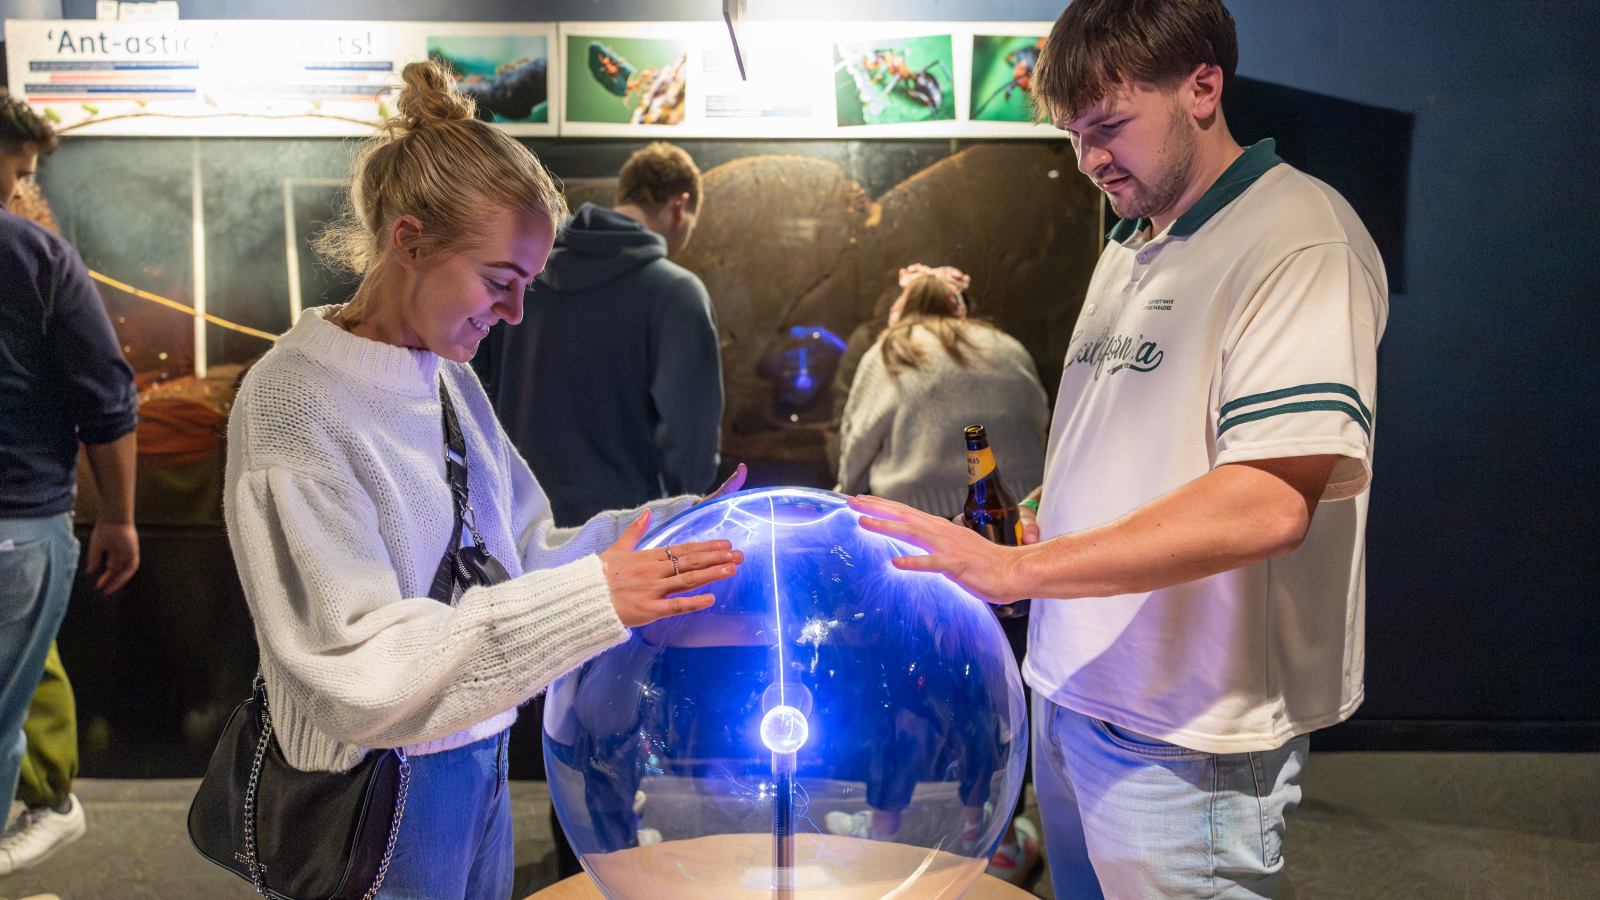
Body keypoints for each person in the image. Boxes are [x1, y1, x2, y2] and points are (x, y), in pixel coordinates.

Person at [849, 2, 1388, 896]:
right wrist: (1044, 514)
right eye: (1072, 134)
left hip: (1185, 731)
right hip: (1071, 692)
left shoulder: (1300, 239)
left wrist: (1017, 571)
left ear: (1202, 89)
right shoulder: (1131, 242)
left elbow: (1267, 500)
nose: (1089, 159)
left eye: (1109, 127)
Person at [224, 61, 745, 899]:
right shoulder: (293, 404)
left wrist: (668, 530)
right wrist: (599, 597)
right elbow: (361, 673)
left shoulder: (445, 377)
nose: (513, 314)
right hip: (369, 795)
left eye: (527, 287)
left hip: (478, 756)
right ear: (409, 240)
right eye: (500, 282)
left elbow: (523, 554)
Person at [832, 269, 1048, 882]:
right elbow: (1044, 426)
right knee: (997, 693)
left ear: (903, 310)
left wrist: (842, 506)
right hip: (1005, 546)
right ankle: (994, 835)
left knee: (901, 697)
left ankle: (885, 829)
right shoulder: (1006, 349)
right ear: (965, 307)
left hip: (917, 545)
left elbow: (856, 448)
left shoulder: (892, 350)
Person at [0, 92, 139, 875]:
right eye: (16, 171)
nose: (18, 191)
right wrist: (118, 516)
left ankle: (51, 800)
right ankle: (50, 801)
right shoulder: (37, 255)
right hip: (19, 527)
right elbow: (107, 396)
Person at [479, 141, 722, 527]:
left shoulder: (522, 275)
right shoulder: (677, 293)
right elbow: (689, 446)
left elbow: (478, 390)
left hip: (513, 524)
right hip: (622, 536)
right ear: (680, 206)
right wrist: (682, 521)